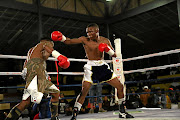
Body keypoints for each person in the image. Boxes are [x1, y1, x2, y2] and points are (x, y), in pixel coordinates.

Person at [51, 23, 134, 119]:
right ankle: (74, 115)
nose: (88, 34)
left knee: (120, 86)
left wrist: (107, 50)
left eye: (91, 31)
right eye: (87, 32)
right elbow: (69, 41)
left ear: (97, 31)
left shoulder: (105, 40)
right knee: (84, 91)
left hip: (102, 66)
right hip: (90, 67)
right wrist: (61, 37)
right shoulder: (84, 40)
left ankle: (122, 112)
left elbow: (114, 55)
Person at [5, 37, 70, 120]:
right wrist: (59, 56)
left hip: (34, 73)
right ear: (47, 42)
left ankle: (54, 117)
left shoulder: (32, 51)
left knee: (54, 93)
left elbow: (26, 68)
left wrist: (42, 75)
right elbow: (46, 48)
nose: (51, 48)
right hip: (37, 72)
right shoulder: (44, 44)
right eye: (52, 46)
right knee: (28, 101)